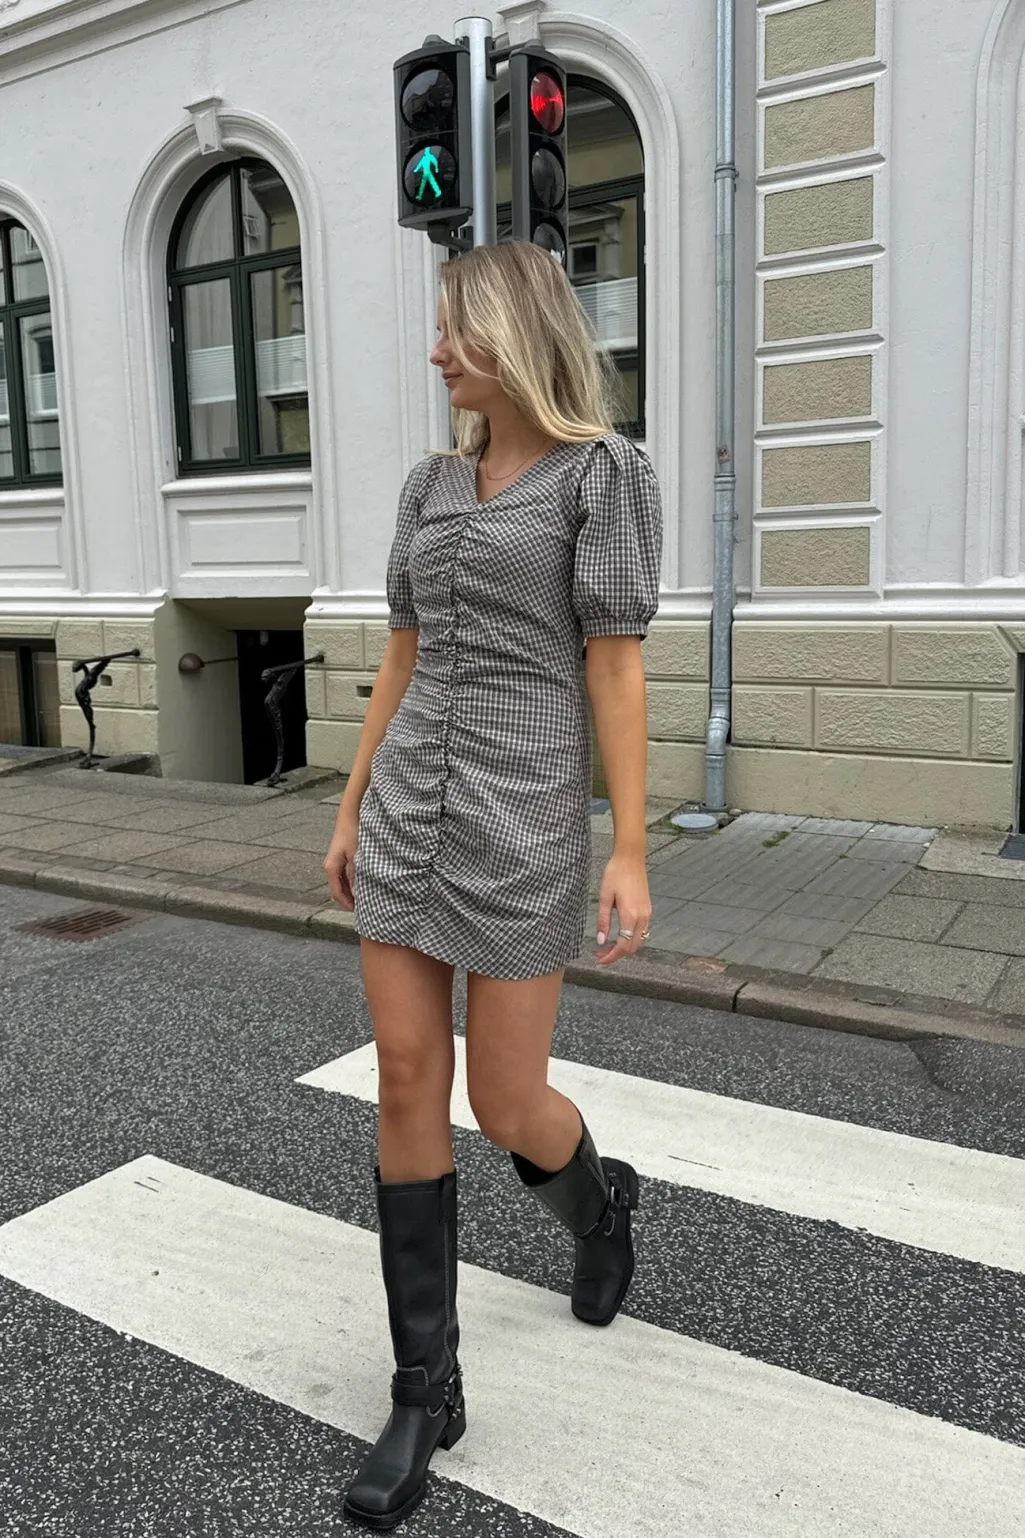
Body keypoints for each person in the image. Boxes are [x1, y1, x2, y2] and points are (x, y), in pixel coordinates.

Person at [323, 239, 663, 1530]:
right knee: (407, 1074)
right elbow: (401, 654)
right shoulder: (429, 484)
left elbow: (615, 667)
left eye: (455, 332)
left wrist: (629, 845)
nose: (436, 354)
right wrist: (352, 804)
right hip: (411, 804)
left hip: (524, 813)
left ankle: (600, 1205)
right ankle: (426, 1387)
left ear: (516, 336)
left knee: (504, 1097)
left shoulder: (603, 477)